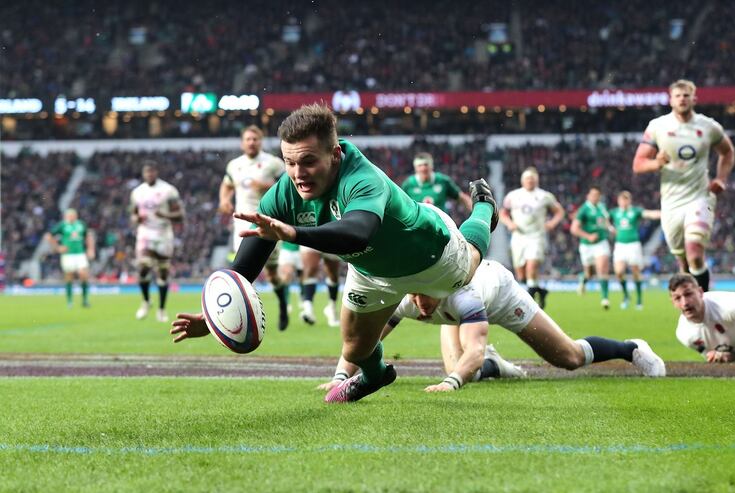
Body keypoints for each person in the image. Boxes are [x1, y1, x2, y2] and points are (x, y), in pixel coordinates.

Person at [170, 103, 498, 404]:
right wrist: (214, 315)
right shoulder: (283, 193)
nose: (298, 174)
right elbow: (248, 260)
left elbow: (357, 233)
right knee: (354, 348)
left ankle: (484, 208)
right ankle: (376, 376)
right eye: (289, 163)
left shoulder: (363, 178)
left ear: (335, 154)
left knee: (471, 261)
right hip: (371, 270)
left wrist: (294, 234)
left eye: (308, 161)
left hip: (429, 254)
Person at [319, 260, 666, 392]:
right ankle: (495, 367)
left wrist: (450, 385)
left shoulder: (464, 295)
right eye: (414, 296)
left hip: (500, 295)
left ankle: (631, 348)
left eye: (425, 296)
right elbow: (361, 342)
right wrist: (339, 377)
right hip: (454, 313)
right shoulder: (406, 299)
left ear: (437, 289)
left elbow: (475, 347)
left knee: (568, 357)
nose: (419, 304)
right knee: (460, 369)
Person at [632, 79, 735, 291]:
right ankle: (692, 303)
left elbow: (727, 152)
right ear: (670, 100)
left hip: (700, 197)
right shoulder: (658, 127)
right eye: (678, 96)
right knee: (683, 263)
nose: (682, 99)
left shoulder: (709, 126)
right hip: (671, 202)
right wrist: (656, 163)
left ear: (694, 99)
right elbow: (638, 164)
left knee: (695, 253)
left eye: (686, 95)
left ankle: (705, 303)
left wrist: (721, 178)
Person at [219, 125, 291, 331]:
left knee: (272, 274)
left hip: (268, 222)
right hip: (242, 223)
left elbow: (290, 185)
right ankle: (243, 320)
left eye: (255, 139)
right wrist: (224, 200)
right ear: (242, 143)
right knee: (241, 273)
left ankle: (283, 304)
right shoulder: (234, 165)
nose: (251, 142)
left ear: (261, 141)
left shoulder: (274, 163)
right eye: (248, 139)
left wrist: (266, 186)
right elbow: (227, 184)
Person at [499, 166, 564, 308]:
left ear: (537, 180)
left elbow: (559, 211)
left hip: (536, 236)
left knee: (531, 266)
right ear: (522, 180)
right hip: (518, 236)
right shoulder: (513, 196)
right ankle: (540, 291)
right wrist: (509, 223)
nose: (530, 181)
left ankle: (529, 304)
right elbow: (502, 213)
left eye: (532, 179)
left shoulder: (544, 196)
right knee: (521, 274)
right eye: (527, 178)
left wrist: (552, 223)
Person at [130, 162, 184, 322]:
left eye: (152, 172)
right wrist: (136, 218)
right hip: (145, 233)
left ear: (156, 172)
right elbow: (133, 215)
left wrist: (165, 215)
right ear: (143, 174)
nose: (149, 175)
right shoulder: (137, 192)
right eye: (146, 172)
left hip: (163, 234)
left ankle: (161, 309)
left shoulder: (168, 190)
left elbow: (180, 215)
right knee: (143, 267)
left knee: (163, 273)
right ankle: (146, 301)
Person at [609, 191, 660, 310]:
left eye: (626, 199)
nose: (624, 201)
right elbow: (602, 218)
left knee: (635, 272)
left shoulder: (635, 211)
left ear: (630, 200)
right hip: (620, 245)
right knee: (619, 272)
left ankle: (639, 300)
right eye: (622, 199)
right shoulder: (614, 212)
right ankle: (626, 295)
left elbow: (649, 214)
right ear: (618, 201)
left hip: (633, 245)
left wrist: (662, 213)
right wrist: (610, 228)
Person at [571, 186, 613, 309]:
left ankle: (605, 298)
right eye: (593, 195)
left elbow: (605, 222)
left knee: (602, 268)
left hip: (601, 242)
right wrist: (588, 236)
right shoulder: (583, 209)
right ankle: (583, 279)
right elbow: (574, 229)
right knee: (589, 273)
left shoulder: (602, 207)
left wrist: (610, 228)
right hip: (587, 245)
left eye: (597, 195)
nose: (595, 197)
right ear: (588, 196)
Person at [44, 208, 95, 308]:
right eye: (69, 215)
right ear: (66, 216)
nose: (71, 217)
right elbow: (48, 236)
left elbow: (88, 236)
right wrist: (57, 247)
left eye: (73, 215)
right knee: (69, 277)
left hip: (80, 253)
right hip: (68, 255)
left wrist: (90, 249)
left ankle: (85, 300)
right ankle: (70, 301)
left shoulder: (81, 224)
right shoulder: (62, 225)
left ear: (76, 216)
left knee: (83, 274)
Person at [401, 152, 472, 213]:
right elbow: (401, 204)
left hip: (441, 223)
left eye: (426, 164)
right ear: (415, 168)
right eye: (420, 165)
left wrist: (474, 211)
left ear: (431, 166)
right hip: (417, 224)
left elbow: (461, 198)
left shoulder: (442, 180)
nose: (423, 168)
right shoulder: (408, 184)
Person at [299, 246, 343, 327]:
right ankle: (308, 309)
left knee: (333, 274)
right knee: (310, 269)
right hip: (311, 238)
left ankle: (331, 308)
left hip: (331, 240)